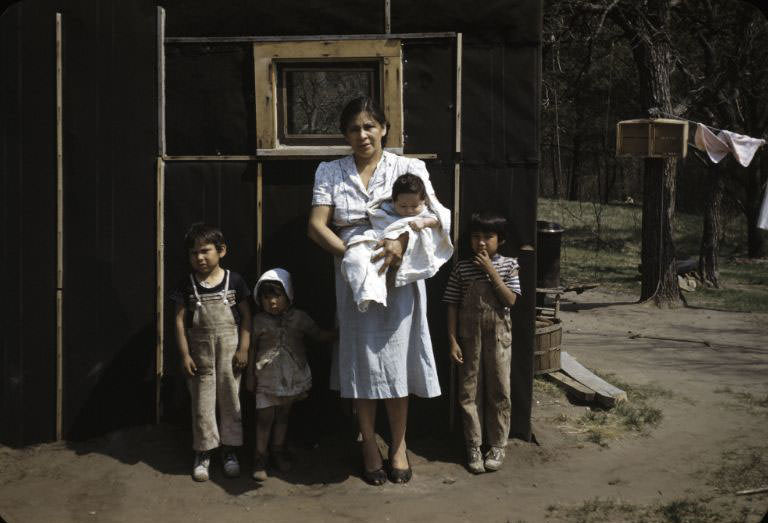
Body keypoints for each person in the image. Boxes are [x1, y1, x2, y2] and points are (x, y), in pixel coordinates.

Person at [307, 96, 450, 485]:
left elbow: (435, 216)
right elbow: (317, 225)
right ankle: (369, 444)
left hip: (400, 274)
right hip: (355, 276)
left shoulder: (409, 167)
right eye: (354, 128)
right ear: (345, 135)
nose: (362, 134)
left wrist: (400, 246)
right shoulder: (331, 171)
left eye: (369, 126)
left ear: (384, 128)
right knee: (363, 363)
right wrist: (354, 256)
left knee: (397, 361)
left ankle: (399, 445)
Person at [170, 223, 252, 482]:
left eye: (205, 251)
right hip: (201, 357)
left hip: (230, 356)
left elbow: (248, 318)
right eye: (194, 253)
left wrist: (244, 349)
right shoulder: (187, 284)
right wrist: (185, 355)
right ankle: (203, 453)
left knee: (231, 401)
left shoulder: (235, 281)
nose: (200, 257)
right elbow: (180, 322)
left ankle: (229, 451)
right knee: (203, 405)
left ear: (221, 250)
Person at [443, 212, 521, 474]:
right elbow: (452, 305)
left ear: (501, 239)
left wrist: (490, 271)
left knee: (500, 389)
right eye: (476, 237)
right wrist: (453, 340)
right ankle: (473, 445)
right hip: (468, 338)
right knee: (469, 391)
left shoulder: (510, 265)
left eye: (488, 237)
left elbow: (510, 300)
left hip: (499, 338)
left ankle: (498, 444)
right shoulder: (461, 268)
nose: (482, 242)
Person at [246, 268, 335, 481]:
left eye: (277, 296)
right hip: (267, 380)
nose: (272, 302)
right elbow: (250, 349)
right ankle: (260, 457)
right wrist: (249, 375)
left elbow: (317, 334)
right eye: (266, 297)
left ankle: (278, 451)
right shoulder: (258, 321)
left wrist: (339, 334)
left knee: (284, 416)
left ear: (289, 295)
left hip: (292, 379)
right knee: (265, 418)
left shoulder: (300, 318)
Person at [341, 173, 453, 312]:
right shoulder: (387, 208)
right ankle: (367, 290)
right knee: (356, 256)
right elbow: (377, 215)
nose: (409, 211)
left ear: (423, 201)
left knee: (380, 265)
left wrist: (423, 223)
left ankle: (373, 290)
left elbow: (437, 220)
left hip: (403, 247)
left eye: (414, 206)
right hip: (380, 236)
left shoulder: (425, 212)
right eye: (403, 206)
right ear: (394, 201)